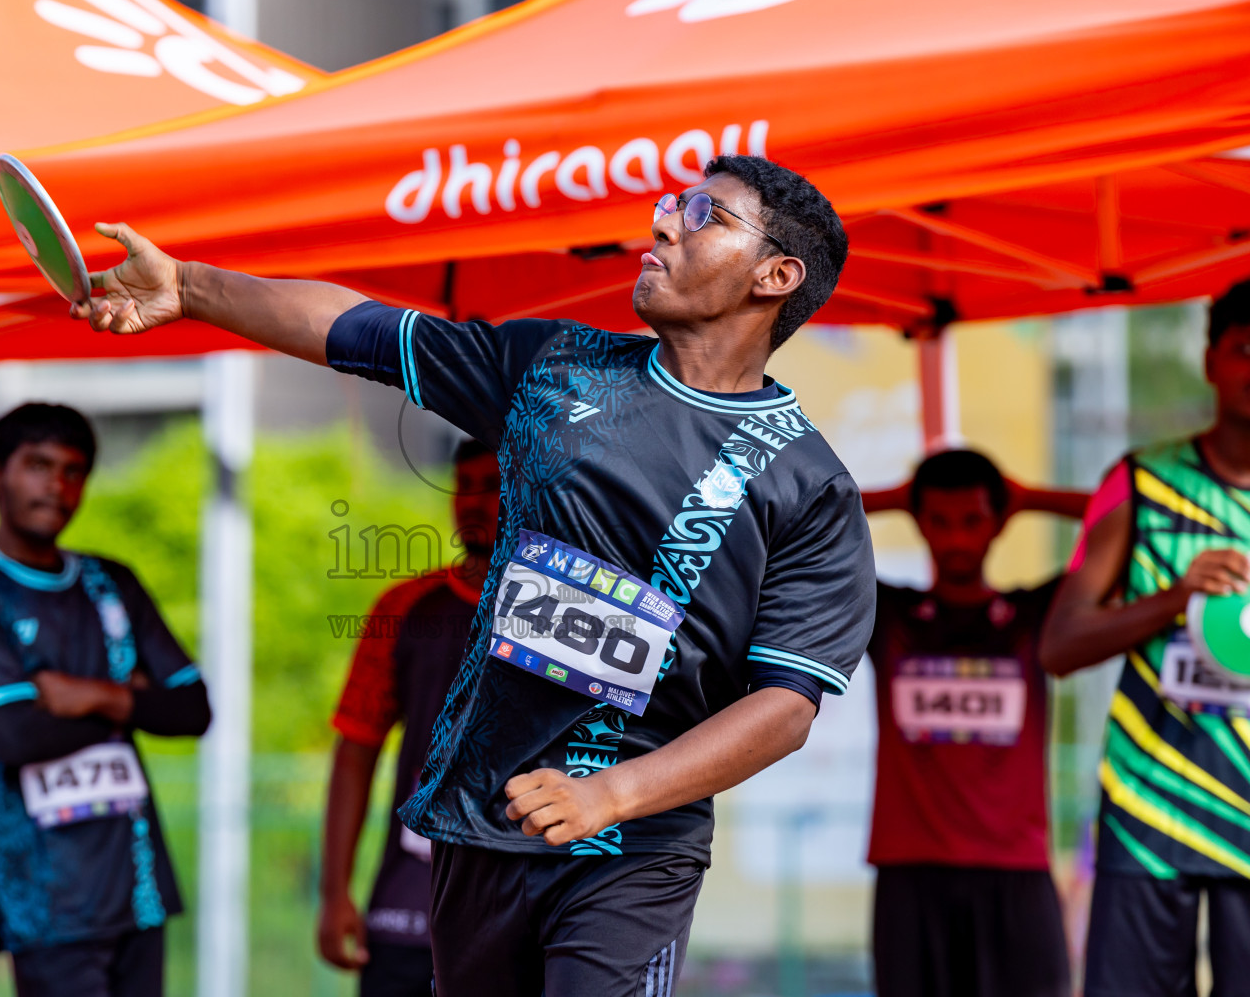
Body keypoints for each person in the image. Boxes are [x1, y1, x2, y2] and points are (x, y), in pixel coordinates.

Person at [74, 154, 876, 996]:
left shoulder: (809, 487)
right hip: (475, 827)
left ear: (775, 275)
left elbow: (784, 710)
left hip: (630, 848)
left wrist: (611, 793)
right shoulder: (554, 368)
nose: (664, 222)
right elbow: (356, 326)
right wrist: (192, 287)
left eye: (705, 215)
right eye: (673, 203)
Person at [1041, 280, 1250, 997]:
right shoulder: (1139, 482)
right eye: (1244, 348)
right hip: (1151, 808)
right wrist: (1176, 596)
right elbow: (1059, 647)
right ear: (1211, 359)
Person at [0, 403, 211, 997]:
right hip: (46, 907)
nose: (57, 485)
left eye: (74, 470)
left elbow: (193, 710)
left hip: (138, 891)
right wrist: (130, 702)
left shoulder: (111, 583)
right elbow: (16, 736)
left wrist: (88, 695)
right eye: (38, 465)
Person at [862, 450, 1087, 997]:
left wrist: (1029, 497)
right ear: (920, 523)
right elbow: (781, 525)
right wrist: (899, 498)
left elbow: (1125, 522)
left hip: (1017, 873)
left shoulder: (1037, 616)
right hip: (910, 873)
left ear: (998, 522)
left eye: (972, 520)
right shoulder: (885, 613)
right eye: (938, 521)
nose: (956, 538)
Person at [318, 440, 501, 996]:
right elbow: (355, 751)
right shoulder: (404, 608)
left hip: (522, 907)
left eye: (491, 485)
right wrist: (335, 894)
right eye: (461, 486)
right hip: (407, 904)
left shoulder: (575, 613)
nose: (471, 502)